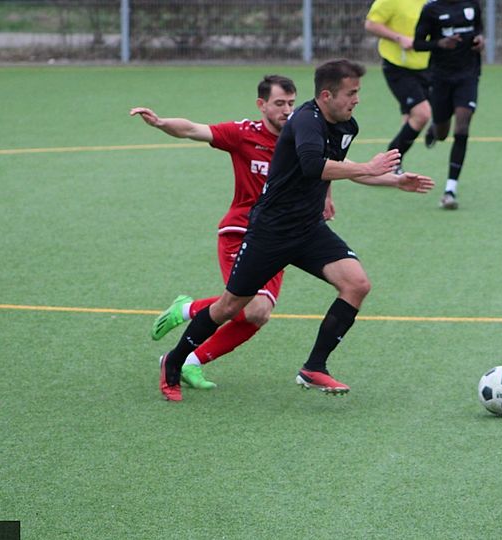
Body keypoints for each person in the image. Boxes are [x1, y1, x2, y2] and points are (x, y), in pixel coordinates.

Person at [157, 59, 435, 402]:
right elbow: (313, 165)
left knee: (357, 284)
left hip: (308, 229)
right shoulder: (305, 120)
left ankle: (314, 367)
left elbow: (342, 168)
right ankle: (174, 361)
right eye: (351, 93)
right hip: (271, 231)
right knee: (230, 307)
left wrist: (394, 180)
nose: (356, 99)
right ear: (327, 95)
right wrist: (369, 166)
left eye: (357, 92)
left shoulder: (346, 126)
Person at [130, 75, 306, 391]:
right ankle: (185, 310)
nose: (287, 110)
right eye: (279, 103)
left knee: (258, 314)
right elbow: (193, 129)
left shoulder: (300, 136)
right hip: (241, 231)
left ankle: (191, 362)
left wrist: (377, 175)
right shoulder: (243, 134)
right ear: (262, 105)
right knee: (250, 307)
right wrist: (160, 123)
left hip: (279, 236)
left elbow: (326, 165)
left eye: (291, 103)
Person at [413, 0, 484, 210]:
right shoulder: (431, 9)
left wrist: (480, 39)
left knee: (462, 127)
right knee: (442, 133)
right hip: (440, 78)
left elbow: (478, 28)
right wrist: (440, 44)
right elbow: (417, 44)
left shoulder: (472, 4)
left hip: (468, 75)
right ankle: (435, 128)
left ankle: (450, 190)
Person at [364, 0, 432, 175]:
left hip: (428, 66)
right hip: (398, 67)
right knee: (422, 114)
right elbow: (371, 24)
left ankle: (393, 165)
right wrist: (398, 38)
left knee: (411, 119)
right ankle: (391, 160)